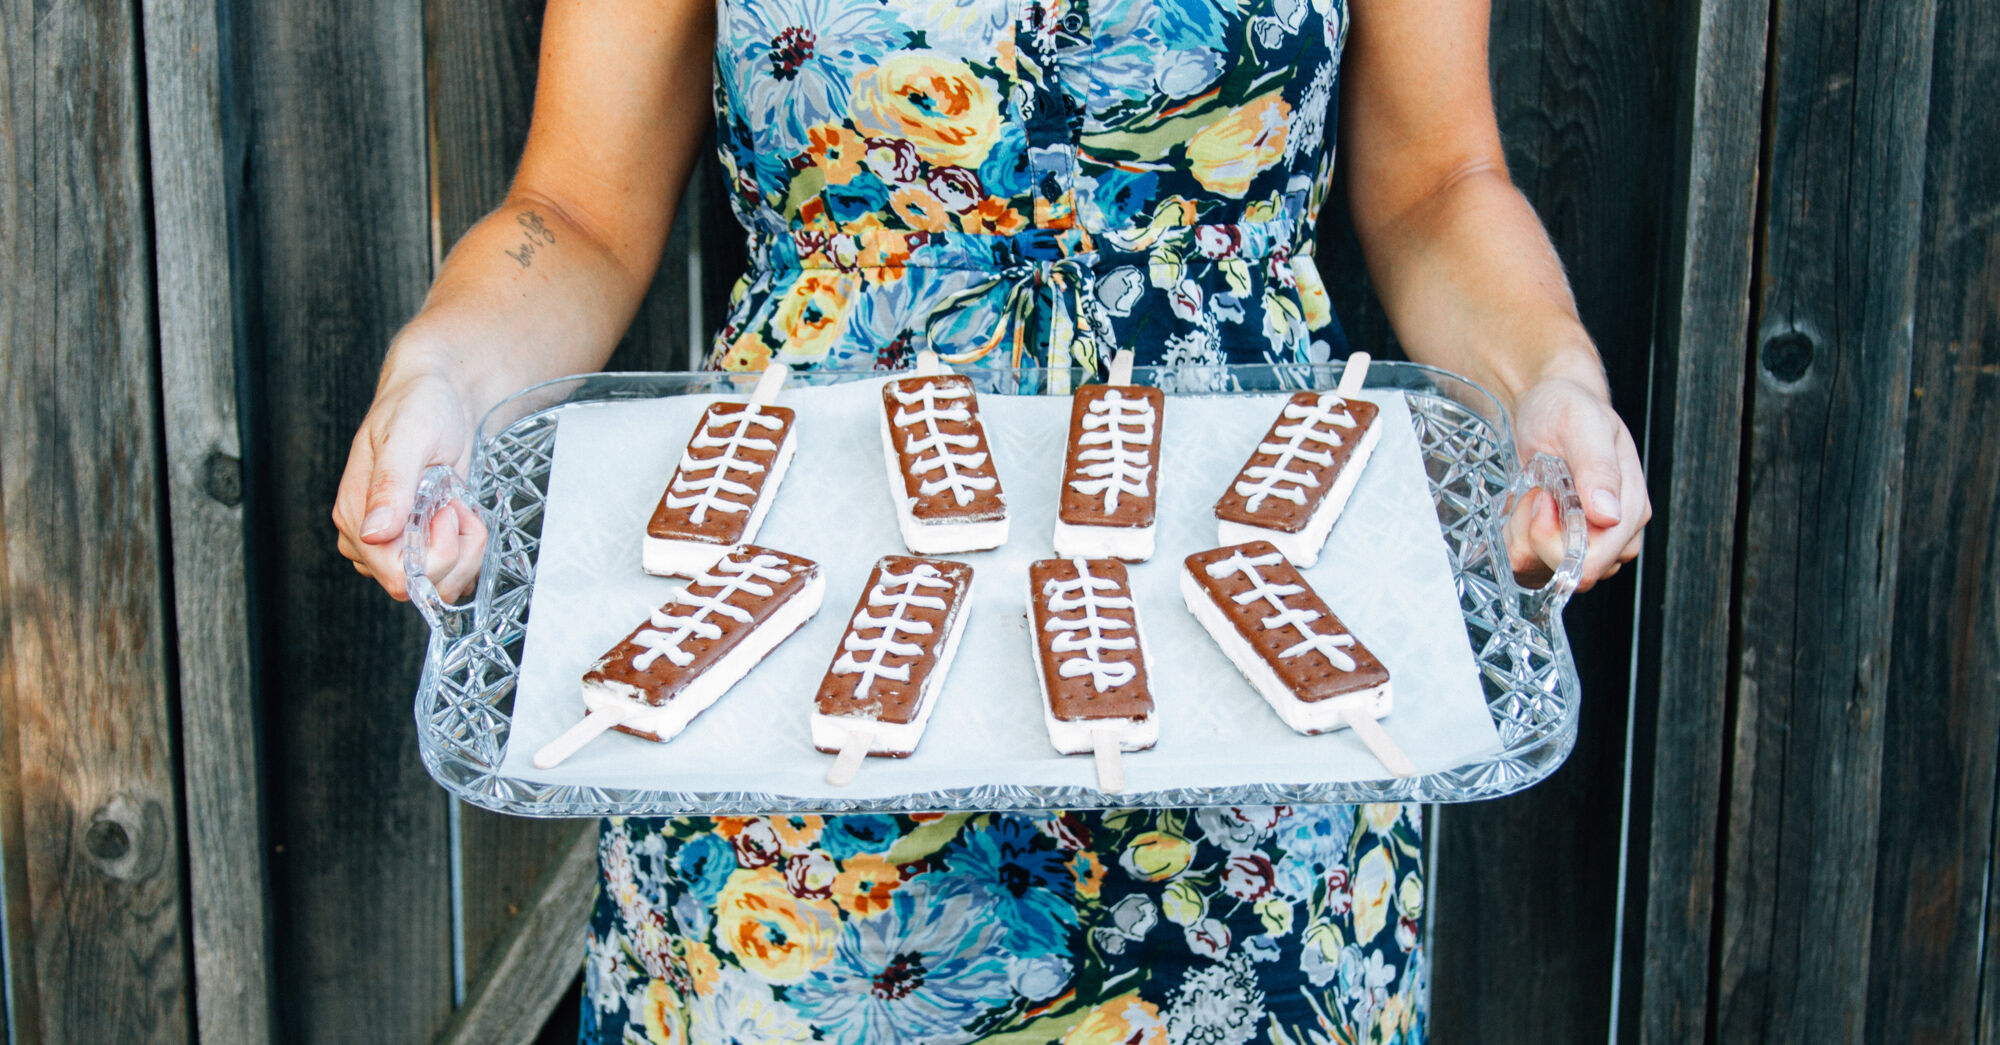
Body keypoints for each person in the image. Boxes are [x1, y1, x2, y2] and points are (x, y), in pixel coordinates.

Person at [335, 0, 1650, 1038]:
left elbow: (1439, 184)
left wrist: (1550, 376)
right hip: (783, 756)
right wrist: (441, 375)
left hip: (1259, 741)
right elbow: (573, 211)